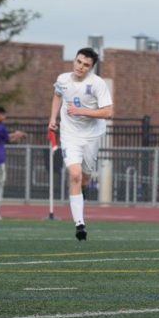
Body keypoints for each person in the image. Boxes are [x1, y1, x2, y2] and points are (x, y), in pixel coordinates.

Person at [48, 47, 113, 240]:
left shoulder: (97, 84)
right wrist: (53, 118)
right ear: (74, 61)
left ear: (91, 68)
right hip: (70, 135)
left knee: (85, 178)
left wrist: (81, 111)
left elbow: (107, 112)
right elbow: (57, 95)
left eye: (86, 65)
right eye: (79, 62)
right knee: (74, 175)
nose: (81, 67)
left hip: (92, 136)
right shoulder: (63, 79)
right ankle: (79, 224)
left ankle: (82, 192)